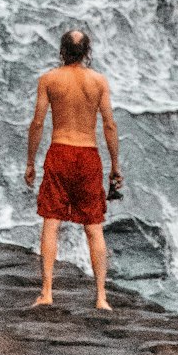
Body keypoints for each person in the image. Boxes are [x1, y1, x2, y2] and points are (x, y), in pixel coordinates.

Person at [25, 26, 121, 309]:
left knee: (51, 223)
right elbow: (109, 124)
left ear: (62, 51)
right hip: (88, 155)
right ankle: (101, 297)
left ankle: (46, 292)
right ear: (87, 52)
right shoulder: (99, 81)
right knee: (94, 227)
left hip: (60, 151)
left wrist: (30, 162)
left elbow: (38, 123)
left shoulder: (49, 79)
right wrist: (115, 166)